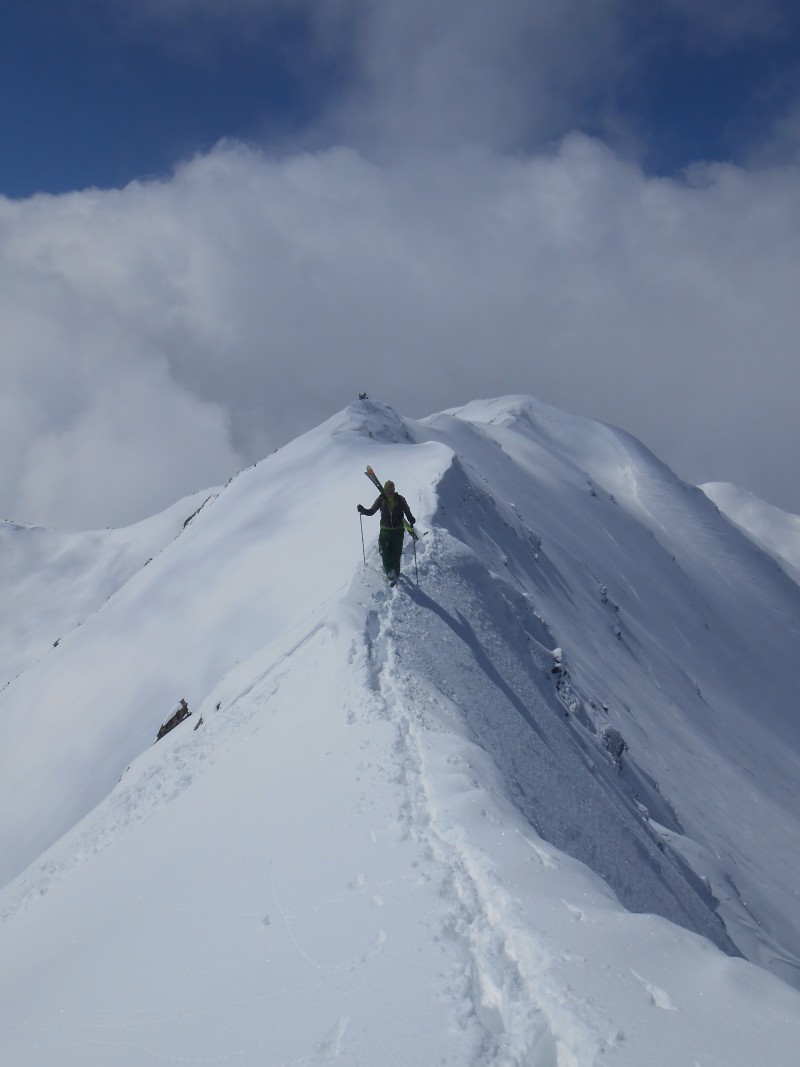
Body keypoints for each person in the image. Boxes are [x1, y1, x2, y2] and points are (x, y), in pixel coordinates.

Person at [357, 480, 415, 585]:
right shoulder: (381, 499)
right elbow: (372, 511)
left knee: (396, 554)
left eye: (390, 491)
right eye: (387, 491)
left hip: (398, 530)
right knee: (384, 551)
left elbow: (407, 510)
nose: (388, 493)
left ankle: (396, 572)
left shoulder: (400, 499)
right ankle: (390, 573)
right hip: (385, 530)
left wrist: (411, 519)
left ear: (393, 490)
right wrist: (363, 510)